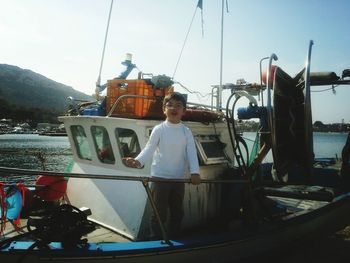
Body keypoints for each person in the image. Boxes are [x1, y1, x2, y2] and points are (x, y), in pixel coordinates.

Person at [123, 92, 201, 238]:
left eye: (178, 106)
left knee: (177, 212)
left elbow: (191, 152)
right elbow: (149, 148)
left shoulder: (186, 132)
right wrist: (138, 161)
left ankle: (174, 236)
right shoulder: (159, 129)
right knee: (159, 213)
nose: (173, 108)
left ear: (183, 111)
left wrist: (195, 173)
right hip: (159, 178)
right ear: (164, 109)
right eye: (169, 105)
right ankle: (157, 238)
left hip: (179, 179)